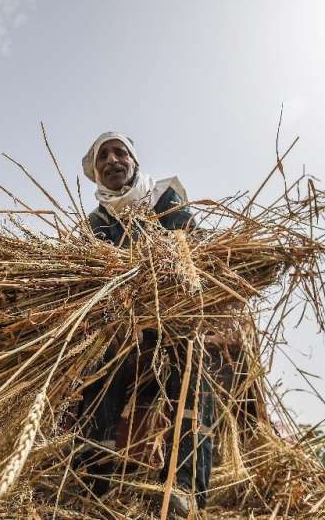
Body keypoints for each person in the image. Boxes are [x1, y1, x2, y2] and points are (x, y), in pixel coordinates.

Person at [74, 132, 214, 516]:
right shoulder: (94, 224)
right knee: (96, 368)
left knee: (194, 365)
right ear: (96, 172)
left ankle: (185, 485)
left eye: (120, 152)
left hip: (172, 318)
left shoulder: (164, 199)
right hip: (120, 326)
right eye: (104, 156)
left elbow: (196, 251)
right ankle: (92, 480)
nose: (113, 160)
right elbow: (84, 280)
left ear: (134, 162)